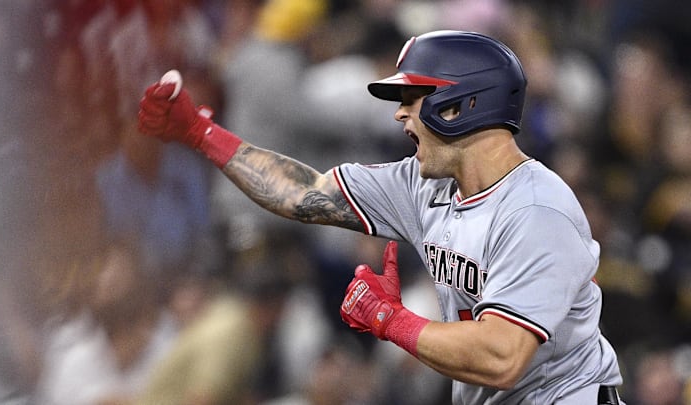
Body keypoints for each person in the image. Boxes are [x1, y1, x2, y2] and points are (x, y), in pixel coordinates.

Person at [138, 30, 625, 404]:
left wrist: (391, 320)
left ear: (459, 106)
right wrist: (202, 134)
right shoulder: (423, 184)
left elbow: (502, 356)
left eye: (413, 100)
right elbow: (304, 191)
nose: (400, 115)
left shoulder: (535, 210)